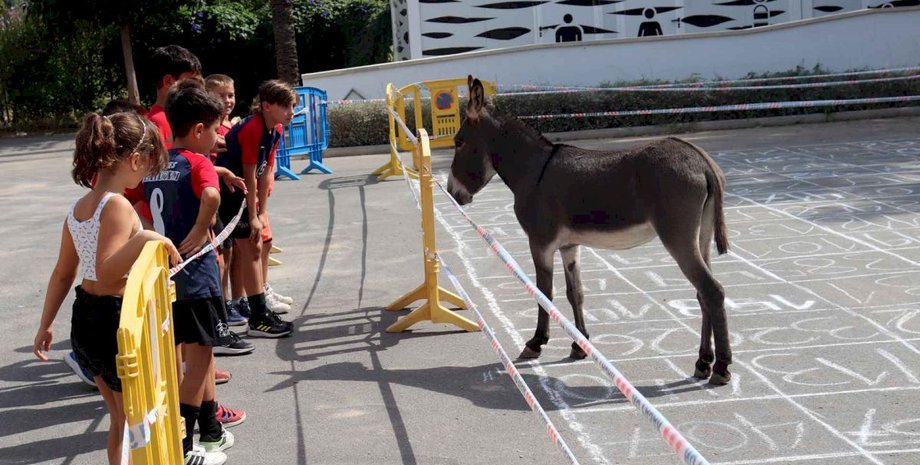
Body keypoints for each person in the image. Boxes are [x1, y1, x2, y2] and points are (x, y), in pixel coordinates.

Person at [33, 111, 179, 464]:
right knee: (139, 415)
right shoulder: (117, 205)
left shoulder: (78, 208)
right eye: (147, 167)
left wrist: (45, 324)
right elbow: (107, 272)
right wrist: (145, 236)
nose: (145, 175)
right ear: (134, 159)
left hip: (85, 318)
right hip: (115, 323)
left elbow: (64, 273)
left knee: (119, 417)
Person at [143, 81, 235, 463]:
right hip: (196, 277)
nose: (216, 140)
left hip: (164, 278)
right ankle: (183, 443)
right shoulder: (199, 163)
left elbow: (134, 202)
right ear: (199, 130)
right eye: (215, 131)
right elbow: (211, 196)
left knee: (188, 355)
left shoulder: (155, 164)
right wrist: (199, 232)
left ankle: (212, 430)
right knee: (199, 361)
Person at [215, 80, 297, 337]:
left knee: (256, 247)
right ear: (266, 106)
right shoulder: (252, 128)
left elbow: (265, 173)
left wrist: (261, 212)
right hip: (230, 193)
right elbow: (249, 174)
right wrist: (252, 216)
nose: (290, 112)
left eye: (292, 106)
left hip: (246, 195)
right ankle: (257, 317)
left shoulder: (276, 130)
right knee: (250, 249)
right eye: (284, 106)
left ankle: (259, 310)